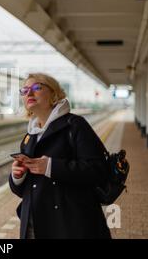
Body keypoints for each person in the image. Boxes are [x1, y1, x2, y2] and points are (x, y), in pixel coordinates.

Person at [9, 73, 111, 239]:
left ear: (53, 93)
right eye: (25, 90)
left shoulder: (75, 125)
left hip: (70, 225)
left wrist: (51, 167)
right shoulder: (30, 135)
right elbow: (25, 191)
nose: (29, 93)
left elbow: (98, 170)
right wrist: (17, 176)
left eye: (36, 87)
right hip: (34, 225)